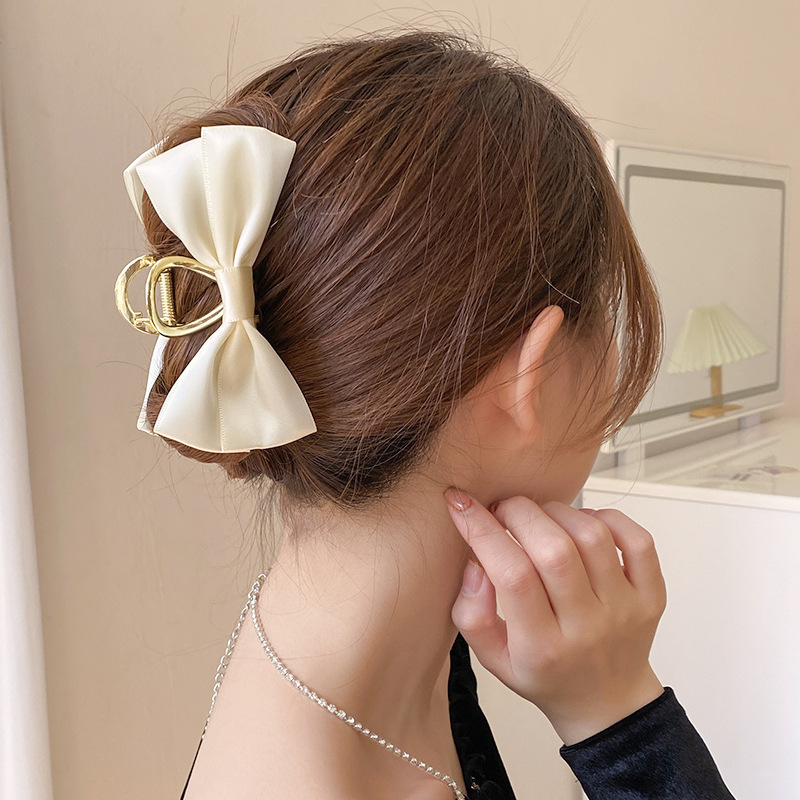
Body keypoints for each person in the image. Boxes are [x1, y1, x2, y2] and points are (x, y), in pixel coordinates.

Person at [116, 27, 736, 800]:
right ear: (531, 376)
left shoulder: (387, 648)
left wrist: (601, 700)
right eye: (605, 317)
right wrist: (623, 724)